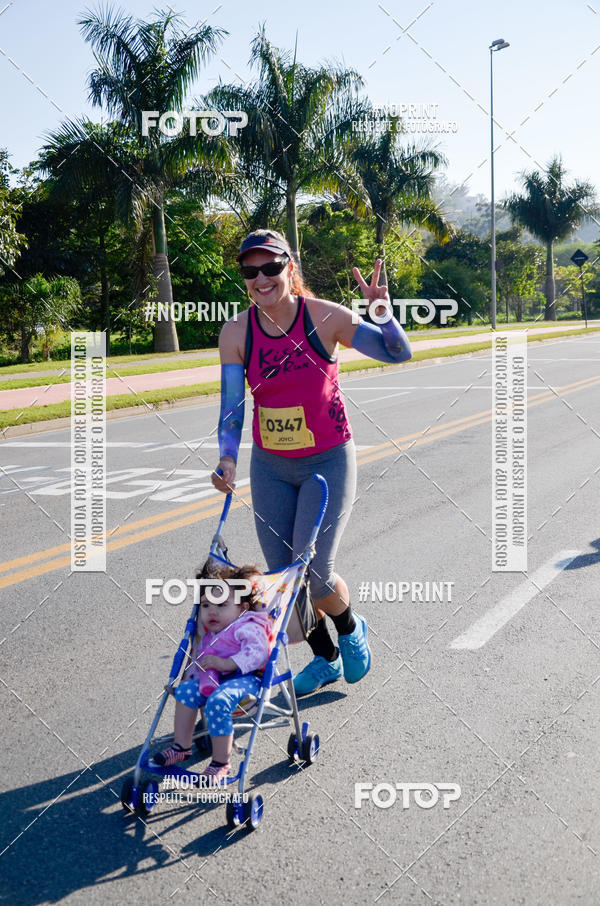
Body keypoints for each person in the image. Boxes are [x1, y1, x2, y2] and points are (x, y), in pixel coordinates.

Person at [211, 229, 412, 696]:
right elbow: (231, 406)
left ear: (289, 267)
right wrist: (226, 458)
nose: (261, 278)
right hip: (271, 466)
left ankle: (350, 626)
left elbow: (399, 353)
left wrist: (381, 310)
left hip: (329, 461)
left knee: (316, 574)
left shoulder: (324, 318)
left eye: (271, 267)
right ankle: (324, 659)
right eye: (250, 270)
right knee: (285, 585)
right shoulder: (236, 332)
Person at [153, 561, 270, 786]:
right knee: (186, 692)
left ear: (242, 608)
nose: (212, 611)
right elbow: (198, 659)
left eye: (221, 605)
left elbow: (258, 652)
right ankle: (181, 747)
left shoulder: (247, 625)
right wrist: (191, 674)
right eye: (206, 606)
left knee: (218, 700)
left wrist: (227, 664)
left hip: (246, 680)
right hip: (214, 680)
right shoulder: (209, 632)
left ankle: (220, 763)